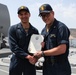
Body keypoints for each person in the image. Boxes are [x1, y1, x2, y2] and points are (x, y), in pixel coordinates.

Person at [34, 4, 71, 75]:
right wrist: (40, 48)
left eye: (47, 14)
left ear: (53, 13)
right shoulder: (43, 31)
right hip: (47, 68)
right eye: (43, 16)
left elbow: (62, 49)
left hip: (60, 69)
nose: (45, 17)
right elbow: (44, 49)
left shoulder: (61, 28)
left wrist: (42, 53)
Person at [8, 6, 39, 75]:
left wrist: (36, 58)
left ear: (29, 15)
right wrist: (28, 56)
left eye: (25, 13)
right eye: (21, 14)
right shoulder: (13, 29)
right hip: (17, 60)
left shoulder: (35, 31)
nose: (24, 16)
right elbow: (13, 47)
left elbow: (36, 48)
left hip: (30, 62)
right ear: (18, 16)